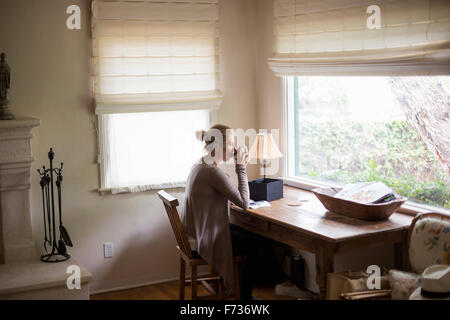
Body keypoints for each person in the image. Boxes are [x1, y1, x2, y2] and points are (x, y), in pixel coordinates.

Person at [181, 124, 261, 299]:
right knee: (253, 242)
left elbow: (211, 196)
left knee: (247, 235)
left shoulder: (200, 163)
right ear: (218, 147)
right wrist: (241, 167)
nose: (234, 148)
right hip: (206, 237)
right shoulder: (212, 172)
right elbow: (245, 203)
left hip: (196, 234)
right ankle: (244, 297)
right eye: (231, 144)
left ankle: (226, 286)